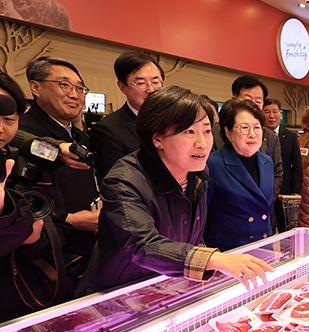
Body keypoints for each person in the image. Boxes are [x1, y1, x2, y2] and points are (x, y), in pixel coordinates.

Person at [76, 86, 272, 296]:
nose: (203, 143)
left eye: (206, 131)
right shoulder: (124, 180)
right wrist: (214, 259)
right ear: (157, 137)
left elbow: (194, 235)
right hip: (118, 294)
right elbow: (143, 245)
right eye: (189, 132)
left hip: (169, 287)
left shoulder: (198, 172)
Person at [19, 56, 99, 266]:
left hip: (90, 248)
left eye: (80, 89)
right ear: (35, 87)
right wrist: (69, 220)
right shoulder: (20, 133)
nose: (74, 95)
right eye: (64, 85)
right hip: (43, 255)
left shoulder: (79, 136)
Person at [0, 75, 66, 322]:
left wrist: (34, 239)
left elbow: (57, 231)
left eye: (9, 119)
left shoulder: (27, 164)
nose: (1, 129)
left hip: (24, 297)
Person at [205, 99, 274, 250]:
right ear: (228, 132)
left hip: (263, 245)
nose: (252, 134)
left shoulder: (267, 162)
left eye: (257, 127)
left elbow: (267, 211)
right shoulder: (212, 164)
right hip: (229, 252)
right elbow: (202, 217)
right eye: (244, 127)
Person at [90, 52, 165, 182]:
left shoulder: (173, 122)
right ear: (123, 87)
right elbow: (113, 184)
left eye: (155, 82)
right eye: (141, 83)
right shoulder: (108, 130)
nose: (151, 89)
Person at [211, 75, 283, 200]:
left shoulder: (271, 136)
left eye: (258, 101)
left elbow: (277, 173)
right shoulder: (214, 132)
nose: (252, 105)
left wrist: (266, 198)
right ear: (234, 99)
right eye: (247, 99)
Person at [264, 98, 303, 233]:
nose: (271, 115)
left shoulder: (290, 136)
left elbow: (297, 165)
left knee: (285, 227)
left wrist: (296, 191)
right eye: (267, 112)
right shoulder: (258, 135)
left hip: (285, 192)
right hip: (264, 189)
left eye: (275, 111)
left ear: (280, 114)